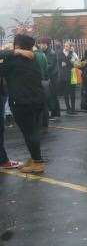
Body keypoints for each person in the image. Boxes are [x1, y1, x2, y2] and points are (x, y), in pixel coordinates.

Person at [0, 35, 46, 173]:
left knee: (29, 133)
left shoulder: (12, 60)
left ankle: (37, 162)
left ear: (17, 45)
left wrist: (12, 52)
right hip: (38, 99)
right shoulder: (34, 58)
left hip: (21, 102)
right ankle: (34, 158)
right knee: (34, 130)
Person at [38, 38, 60, 118]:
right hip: (49, 77)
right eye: (40, 44)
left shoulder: (51, 53)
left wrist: (41, 67)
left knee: (53, 95)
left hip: (52, 77)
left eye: (42, 44)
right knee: (50, 95)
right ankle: (55, 113)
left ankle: (55, 113)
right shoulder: (44, 52)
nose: (41, 45)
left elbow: (50, 65)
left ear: (46, 44)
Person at [57, 42, 79, 114]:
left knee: (73, 92)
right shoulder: (60, 53)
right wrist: (69, 60)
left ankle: (73, 108)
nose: (65, 47)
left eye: (67, 46)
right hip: (64, 76)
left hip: (72, 74)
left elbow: (77, 63)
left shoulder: (73, 53)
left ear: (70, 47)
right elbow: (61, 63)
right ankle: (68, 108)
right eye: (65, 46)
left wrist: (69, 61)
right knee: (66, 92)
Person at [34, 45, 50, 129]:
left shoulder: (32, 55)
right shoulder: (42, 55)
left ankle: (38, 124)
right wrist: (47, 79)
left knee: (37, 104)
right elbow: (46, 68)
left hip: (35, 82)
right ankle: (45, 123)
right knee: (44, 104)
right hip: (43, 81)